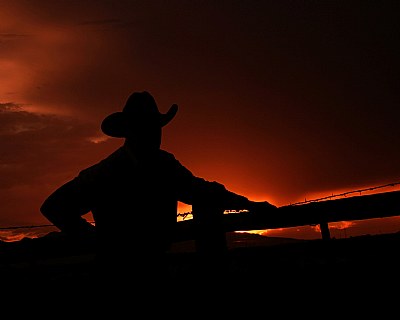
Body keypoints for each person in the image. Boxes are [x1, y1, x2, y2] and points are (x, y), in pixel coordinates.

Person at [40, 91, 277, 290]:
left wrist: (249, 204)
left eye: (155, 127)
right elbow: (53, 207)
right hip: (127, 275)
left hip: (134, 273)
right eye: (149, 127)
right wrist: (96, 241)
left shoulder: (147, 167)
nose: (156, 133)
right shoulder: (113, 172)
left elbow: (201, 190)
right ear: (134, 130)